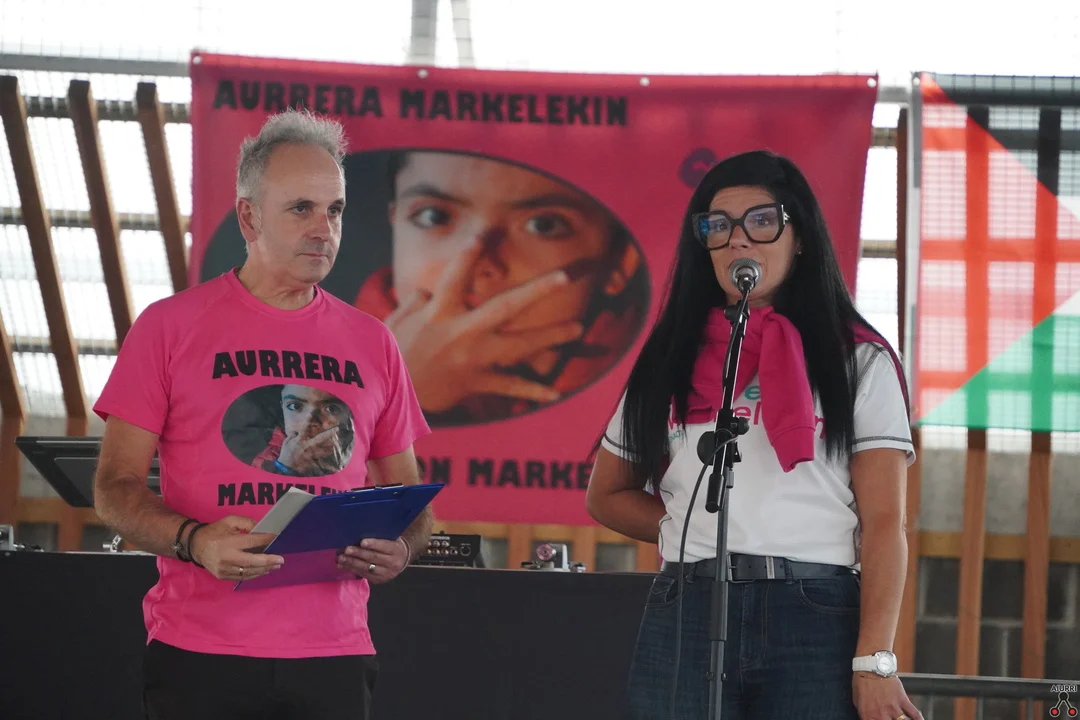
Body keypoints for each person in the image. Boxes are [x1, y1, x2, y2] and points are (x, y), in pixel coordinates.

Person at [91, 108, 432, 720]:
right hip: (200, 649)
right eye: (301, 208)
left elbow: (411, 497)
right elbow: (114, 490)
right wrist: (195, 542)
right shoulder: (168, 327)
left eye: (334, 210)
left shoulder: (374, 341)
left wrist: (400, 548)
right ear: (248, 217)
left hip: (335, 652)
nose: (323, 229)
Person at [586, 150, 923, 720]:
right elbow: (607, 494)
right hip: (687, 603)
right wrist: (685, 529)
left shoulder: (858, 359)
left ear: (801, 237)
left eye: (762, 221)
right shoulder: (670, 356)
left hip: (812, 609)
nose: (738, 239)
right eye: (718, 226)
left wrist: (875, 661)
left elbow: (886, 521)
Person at [353, 150, 646, 426]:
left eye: (543, 225)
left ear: (621, 261)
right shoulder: (337, 357)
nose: (475, 262)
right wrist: (399, 392)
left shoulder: (646, 382)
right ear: (395, 223)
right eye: (435, 216)